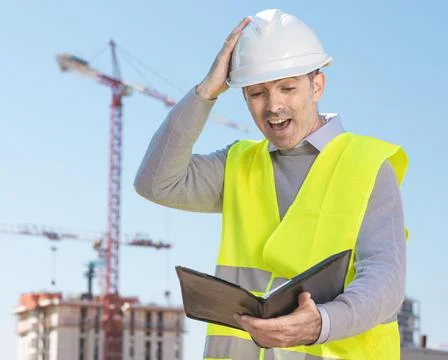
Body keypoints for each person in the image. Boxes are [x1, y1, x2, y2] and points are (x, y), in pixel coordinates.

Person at [134, 8, 408, 360]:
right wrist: (206, 92)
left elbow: (385, 279)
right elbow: (155, 183)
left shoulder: (368, 164)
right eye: (257, 93)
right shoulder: (238, 164)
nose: (274, 106)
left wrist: (321, 323)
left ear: (317, 86)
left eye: (288, 88)